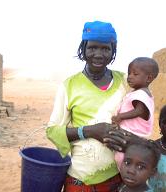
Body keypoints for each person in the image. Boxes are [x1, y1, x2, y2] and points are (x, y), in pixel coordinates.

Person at [46, 20, 128, 191]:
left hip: (117, 178)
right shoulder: (69, 86)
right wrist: (89, 131)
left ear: (114, 50)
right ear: (83, 49)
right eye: (92, 47)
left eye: (106, 48)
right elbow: (53, 131)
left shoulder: (125, 82)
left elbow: (140, 122)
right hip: (80, 179)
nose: (98, 54)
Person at [111, 57, 159, 169]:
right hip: (134, 135)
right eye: (129, 73)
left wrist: (120, 117)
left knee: (121, 158)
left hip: (133, 134)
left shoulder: (141, 94)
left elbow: (139, 111)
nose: (130, 77)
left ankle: (125, 178)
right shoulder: (140, 92)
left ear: (148, 78)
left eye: (135, 74)